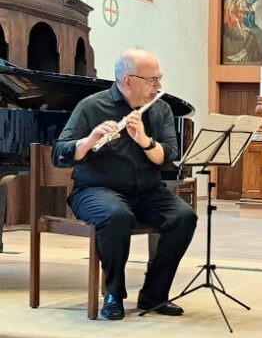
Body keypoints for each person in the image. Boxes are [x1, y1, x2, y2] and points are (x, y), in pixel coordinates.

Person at [52, 48, 198, 320]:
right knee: (116, 215)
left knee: (184, 216)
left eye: (159, 78)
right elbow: (60, 153)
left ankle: (154, 295)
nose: (159, 86)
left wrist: (144, 140)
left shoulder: (160, 109)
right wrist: (90, 140)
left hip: (146, 192)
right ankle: (114, 294)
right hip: (95, 190)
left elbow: (168, 158)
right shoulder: (91, 106)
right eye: (152, 80)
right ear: (127, 80)